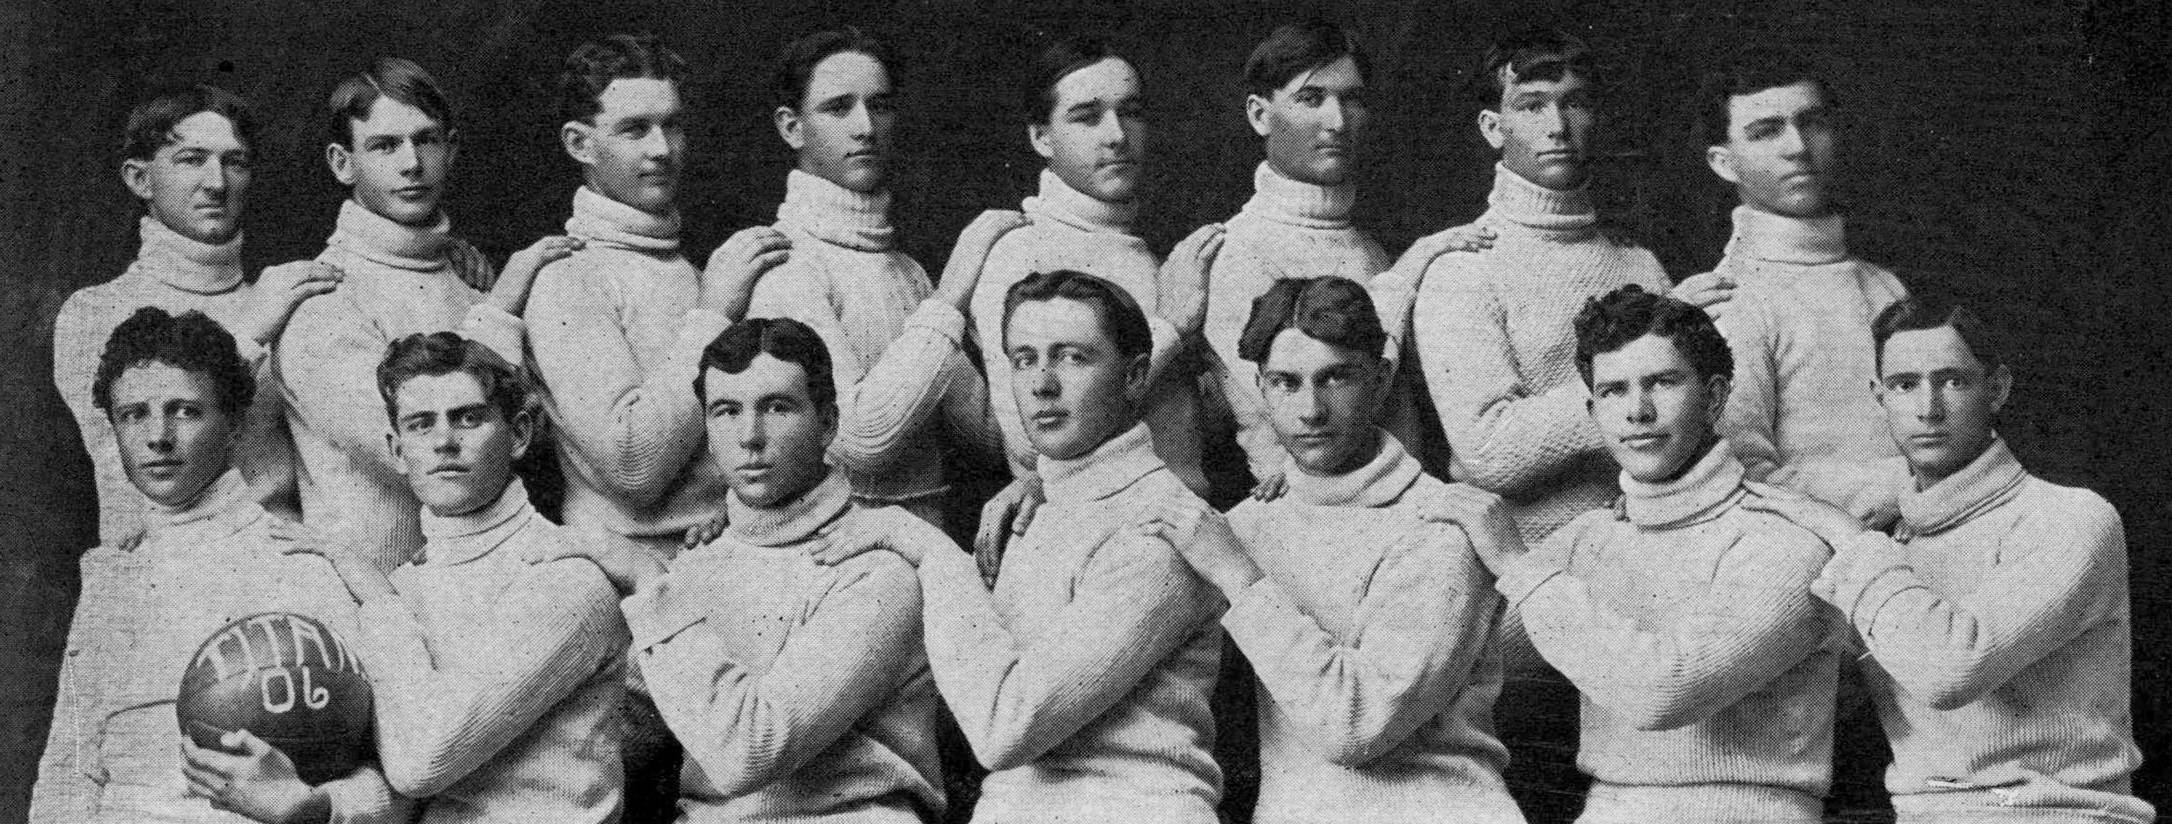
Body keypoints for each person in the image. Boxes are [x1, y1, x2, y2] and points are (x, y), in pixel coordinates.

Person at [830, 270, 1227, 823]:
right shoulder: (1039, 505)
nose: (1042, 383)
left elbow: (1005, 726)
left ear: (1136, 376)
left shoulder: (1163, 528)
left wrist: (930, 552)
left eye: (1072, 357)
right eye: (1023, 358)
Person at [1434, 285, 1838, 824]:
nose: (1638, 412)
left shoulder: (1787, 538)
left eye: (1663, 383)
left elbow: (1663, 692)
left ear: (1715, 398)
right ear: (1593, 410)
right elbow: (1462, 658)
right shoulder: (1592, 538)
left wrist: (1515, 564)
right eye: (1613, 391)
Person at [1746, 297, 2154, 824]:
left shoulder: (2070, 518)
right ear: (1879, 397)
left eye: (1954, 381)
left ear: (1998, 388)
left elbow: (1952, 670)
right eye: (1904, 384)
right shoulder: (1893, 547)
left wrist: (1843, 535)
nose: (1928, 409)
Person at [550, 317, 952, 823]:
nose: (750, 437)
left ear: (827, 423)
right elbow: (628, 734)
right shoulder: (700, 564)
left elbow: (752, 750)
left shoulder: (876, 571)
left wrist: (650, 582)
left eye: (777, 408)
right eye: (726, 411)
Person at [1165, 276, 1522, 824]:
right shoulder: (1248, 526)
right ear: (1260, 387)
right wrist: (1040, 489)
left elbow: (1356, 724)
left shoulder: (1443, 528)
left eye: (1335, 378)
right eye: (1287, 383)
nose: (1310, 410)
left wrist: (1240, 579)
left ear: (1380, 380)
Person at [32, 308, 407, 824]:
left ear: (232, 422)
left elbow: (394, 778)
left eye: (185, 410)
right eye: (133, 414)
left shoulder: (300, 560)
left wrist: (315, 809)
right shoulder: (113, 580)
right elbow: (70, 771)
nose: (157, 436)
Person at [280, 332, 628, 823]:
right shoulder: (406, 587)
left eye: (468, 418)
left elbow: (424, 762)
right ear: (398, 452)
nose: (444, 441)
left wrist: (379, 602)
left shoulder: (565, 577)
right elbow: (391, 781)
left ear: (520, 434)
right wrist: (310, 806)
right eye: (421, 425)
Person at [276, 57, 576, 571]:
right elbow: (432, 457)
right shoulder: (325, 299)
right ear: (342, 162)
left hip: (494, 575)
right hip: (381, 596)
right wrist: (501, 308)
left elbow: (540, 436)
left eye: (427, 140)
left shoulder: (467, 273)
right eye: (385, 145)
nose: (412, 163)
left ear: (451, 149)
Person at [526, 33, 786, 562]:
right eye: (634, 130)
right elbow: (633, 466)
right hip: (635, 575)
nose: (662, 149)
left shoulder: (691, 270)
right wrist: (713, 315)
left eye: (672, 125)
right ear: (580, 144)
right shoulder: (567, 280)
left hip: (731, 552)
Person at [740, 27, 1010, 527]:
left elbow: (991, 435)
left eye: (879, 106)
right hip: (841, 565)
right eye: (839, 108)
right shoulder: (787, 269)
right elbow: (860, 444)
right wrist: (954, 293)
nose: (865, 126)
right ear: (791, 127)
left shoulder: (908, 274)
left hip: (931, 550)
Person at [53, 84, 334, 545]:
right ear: (139, 179)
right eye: (192, 160)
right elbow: (141, 492)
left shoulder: (283, 297)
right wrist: (246, 334)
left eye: (234, 162)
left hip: (289, 580)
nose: (217, 183)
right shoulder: (94, 313)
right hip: (164, 578)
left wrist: (448, 262)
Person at [967, 34, 1223, 505]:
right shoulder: (1022, 254)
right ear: (1041, 137)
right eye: (1087, 117)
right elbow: (1031, 444)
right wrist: (1170, 329)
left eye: (1130, 112)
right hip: (1105, 532)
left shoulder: (1146, 255)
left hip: (1187, 524)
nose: (1117, 136)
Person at [1696, 48, 1909, 524]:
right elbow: (1744, 479)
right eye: (1766, 132)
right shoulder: (1731, 302)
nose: (1798, 146)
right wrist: (1910, 485)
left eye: (1811, 123)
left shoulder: (1885, 285)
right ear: (1724, 163)